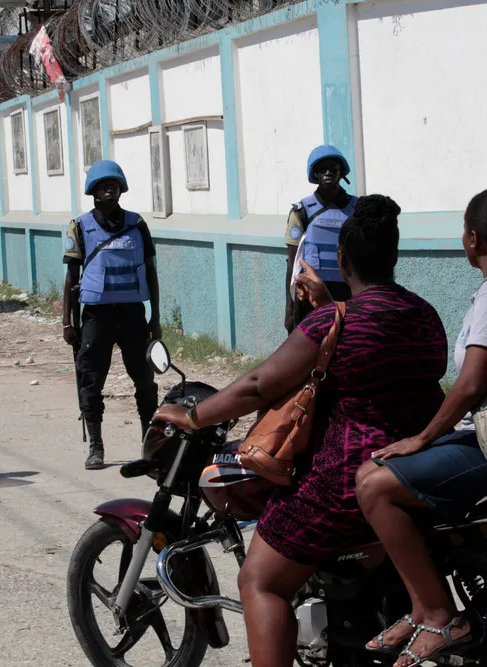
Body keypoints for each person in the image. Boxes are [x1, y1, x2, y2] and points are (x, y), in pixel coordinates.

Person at [154, 195, 449, 667]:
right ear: (394, 256)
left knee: (260, 580)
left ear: (341, 260)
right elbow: (376, 357)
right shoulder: (423, 315)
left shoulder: (335, 322)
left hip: (347, 477)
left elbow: (257, 386)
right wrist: (328, 309)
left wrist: (192, 416)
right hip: (418, 463)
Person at [353, 186, 487, 667]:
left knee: (372, 486)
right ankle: (418, 603)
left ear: (473, 238)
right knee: (385, 476)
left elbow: (471, 384)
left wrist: (423, 437)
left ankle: (436, 612)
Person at [62, 160, 162, 470]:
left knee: (145, 382)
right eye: (104, 185)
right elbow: (71, 279)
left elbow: (151, 272)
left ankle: (150, 446)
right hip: (96, 316)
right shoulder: (80, 226)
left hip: (132, 314)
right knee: (90, 381)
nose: (110, 189)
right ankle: (96, 445)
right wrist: (67, 322)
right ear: (93, 191)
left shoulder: (137, 224)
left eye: (115, 184)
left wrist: (155, 318)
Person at [283, 144, 358, 334]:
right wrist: (290, 308)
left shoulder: (358, 209)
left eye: (333, 167)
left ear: (341, 172)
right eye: (321, 168)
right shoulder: (302, 211)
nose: (327, 172)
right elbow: (292, 262)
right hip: (310, 297)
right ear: (314, 174)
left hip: (349, 294)